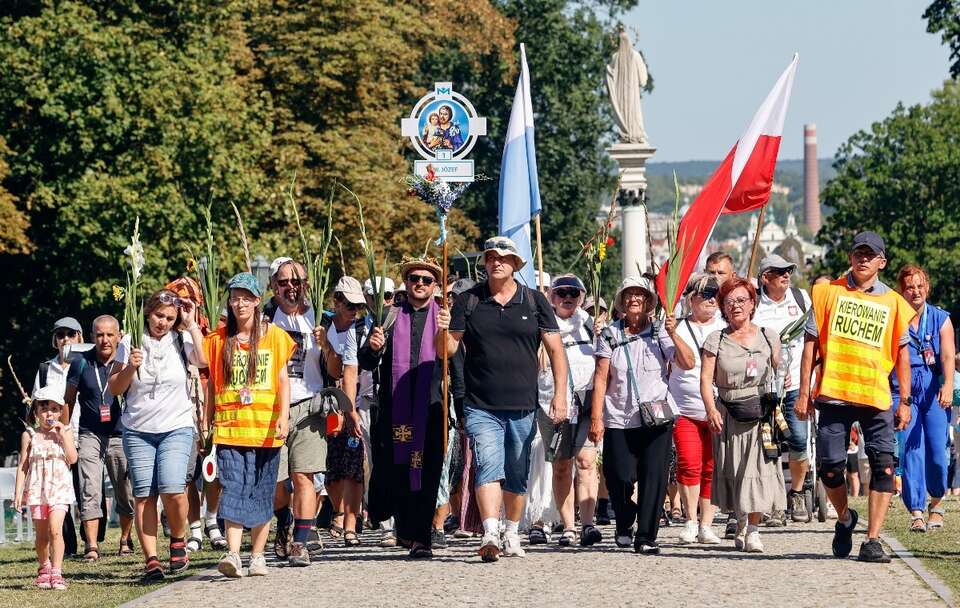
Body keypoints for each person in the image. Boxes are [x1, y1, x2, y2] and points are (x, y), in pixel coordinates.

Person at [437, 236, 568, 562]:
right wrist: (442, 329)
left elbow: (556, 351)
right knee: (487, 467)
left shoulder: (535, 301)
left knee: (517, 473)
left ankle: (511, 530)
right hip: (481, 405)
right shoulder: (468, 301)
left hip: (523, 405)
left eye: (504, 257)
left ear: (515, 264)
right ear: (485, 262)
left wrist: (561, 395)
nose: (497, 262)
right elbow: (448, 351)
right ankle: (490, 532)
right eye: (491, 257)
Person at [796, 231, 915, 563]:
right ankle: (846, 517)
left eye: (870, 254)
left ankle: (873, 540)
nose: (863, 259)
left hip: (876, 397)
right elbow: (809, 348)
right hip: (833, 394)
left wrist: (904, 399)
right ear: (850, 257)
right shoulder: (824, 293)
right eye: (858, 253)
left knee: (884, 469)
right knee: (831, 469)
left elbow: (903, 354)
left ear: (882, 261)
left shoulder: (894, 302)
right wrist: (804, 391)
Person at [588, 276, 693, 554]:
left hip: (656, 417)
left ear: (648, 302)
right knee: (617, 476)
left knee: (653, 477)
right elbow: (600, 378)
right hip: (619, 418)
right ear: (621, 302)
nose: (634, 298)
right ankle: (624, 519)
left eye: (640, 294)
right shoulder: (609, 334)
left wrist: (674, 333)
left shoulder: (660, 331)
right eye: (629, 294)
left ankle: (646, 536)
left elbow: (687, 362)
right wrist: (596, 418)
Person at [109, 289, 208, 581]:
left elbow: (203, 361)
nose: (162, 322)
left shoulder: (182, 339)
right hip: (138, 429)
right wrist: (130, 367)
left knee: (174, 488)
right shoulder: (130, 342)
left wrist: (190, 324)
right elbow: (115, 387)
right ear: (148, 312)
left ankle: (178, 539)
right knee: (144, 496)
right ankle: (151, 559)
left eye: (169, 318)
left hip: (176, 425)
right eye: (158, 315)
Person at [203, 272, 295, 578]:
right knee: (233, 489)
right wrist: (206, 421)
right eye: (234, 297)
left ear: (257, 301)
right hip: (231, 429)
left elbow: (282, 380)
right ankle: (233, 553)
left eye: (246, 298)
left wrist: (283, 417)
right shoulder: (218, 340)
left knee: (262, 490)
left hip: (267, 430)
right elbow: (211, 384)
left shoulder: (276, 336)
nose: (239, 303)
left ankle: (257, 556)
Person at [361, 257, 447, 558]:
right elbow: (366, 362)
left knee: (427, 470)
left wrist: (460, 407)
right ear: (406, 283)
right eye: (414, 279)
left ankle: (422, 537)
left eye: (426, 279)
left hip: (432, 407)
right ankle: (406, 531)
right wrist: (372, 347)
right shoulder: (389, 316)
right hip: (394, 406)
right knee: (398, 468)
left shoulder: (442, 318)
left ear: (435, 285)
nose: (420, 284)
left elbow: (456, 364)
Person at [700, 276, 785, 553]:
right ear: (723, 307)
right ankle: (739, 522)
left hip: (760, 414)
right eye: (729, 301)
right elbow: (705, 379)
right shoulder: (716, 339)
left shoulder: (768, 336)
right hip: (729, 413)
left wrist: (780, 382)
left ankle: (754, 530)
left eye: (741, 300)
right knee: (735, 471)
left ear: (752, 304)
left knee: (758, 470)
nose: (736, 306)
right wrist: (711, 409)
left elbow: (779, 370)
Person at [263, 258, 331, 565]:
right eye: (284, 282)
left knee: (304, 475)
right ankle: (284, 520)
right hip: (272, 407)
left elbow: (335, 369)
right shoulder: (265, 317)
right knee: (277, 482)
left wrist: (326, 344)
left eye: (297, 282)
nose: (291, 287)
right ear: (274, 287)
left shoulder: (321, 318)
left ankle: (301, 543)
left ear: (307, 284)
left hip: (309, 406)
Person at [63, 315, 134, 562]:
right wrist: (65, 434)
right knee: (89, 488)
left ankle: (125, 539)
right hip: (90, 433)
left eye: (110, 335)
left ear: (119, 336)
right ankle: (91, 545)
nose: (105, 340)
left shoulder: (127, 362)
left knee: (125, 490)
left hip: (120, 433)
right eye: (100, 335)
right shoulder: (81, 362)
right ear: (92, 337)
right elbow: (68, 400)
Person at [537, 274, 601, 547]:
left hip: (585, 401)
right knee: (562, 466)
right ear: (551, 296)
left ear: (582, 298)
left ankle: (588, 524)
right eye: (561, 292)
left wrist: (603, 333)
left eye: (573, 294)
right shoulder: (542, 324)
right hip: (552, 401)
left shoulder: (589, 325)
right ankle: (568, 526)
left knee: (586, 462)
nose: (567, 298)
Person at [893, 264, 955, 531]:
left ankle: (937, 503)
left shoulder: (941, 318)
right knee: (911, 450)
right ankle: (916, 510)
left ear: (927, 288)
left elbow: (948, 356)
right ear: (901, 290)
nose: (915, 291)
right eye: (909, 287)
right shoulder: (895, 319)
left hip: (933, 389)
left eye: (919, 286)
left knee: (938, 451)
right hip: (902, 388)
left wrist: (949, 385)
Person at [753, 254, 813, 523]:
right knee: (767, 445)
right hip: (763, 388)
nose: (787, 275)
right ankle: (770, 500)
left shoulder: (800, 299)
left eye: (789, 270)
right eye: (780, 272)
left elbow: (813, 340)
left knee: (799, 441)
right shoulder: (754, 303)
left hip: (795, 387)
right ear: (766, 278)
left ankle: (797, 493)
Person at [667, 274, 726, 545]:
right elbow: (684, 363)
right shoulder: (674, 327)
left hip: (718, 409)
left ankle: (707, 524)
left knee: (712, 468)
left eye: (715, 293)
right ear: (691, 299)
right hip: (684, 408)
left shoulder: (727, 327)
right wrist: (672, 334)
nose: (712, 298)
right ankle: (691, 520)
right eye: (705, 294)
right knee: (690, 464)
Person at [14, 386, 78, 590]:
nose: (49, 413)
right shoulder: (30, 435)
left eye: (54, 408)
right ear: (36, 412)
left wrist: (62, 435)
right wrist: (18, 493)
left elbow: (73, 458)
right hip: (36, 491)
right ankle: (44, 567)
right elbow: (23, 465)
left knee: (55, 530)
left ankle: (57, 572)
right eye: (44, 408)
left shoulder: (65, 432)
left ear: (60, 411)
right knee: (42, 535)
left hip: (59, 490)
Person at [32, 317, 85, 557]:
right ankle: (68, 546)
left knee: (86, 489)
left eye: (70, 334)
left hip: (83, 432)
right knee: (57, 491)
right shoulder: (45, 369)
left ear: (80, 337)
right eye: (61, 334)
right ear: (55, 340)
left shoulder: (86, 363)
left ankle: (92, 541)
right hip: (54, 437)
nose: (65, 338)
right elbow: (36, 402)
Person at [323, 276, 364, 546]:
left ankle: (350, 523)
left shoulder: (358, 329)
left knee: (354, 463)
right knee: (329, 466)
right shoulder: (321, 325)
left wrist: (351, 410)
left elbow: (351, 371)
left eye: (358, 306)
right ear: (336, 301)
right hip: (322, 402)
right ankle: (337, 512)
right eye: (349, 305)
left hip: (354, 400)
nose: (354, 311)